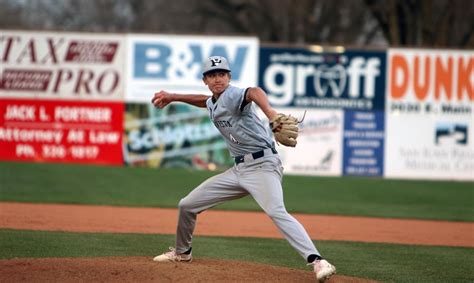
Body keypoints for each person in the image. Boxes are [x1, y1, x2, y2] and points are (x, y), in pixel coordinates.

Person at [151, 56, 336, 282]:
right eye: (212, 75)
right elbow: (205, 101)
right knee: (187, 205)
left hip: (263, 166)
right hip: (238, 170)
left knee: (276, 211)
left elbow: (253, 92)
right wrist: (174, 96)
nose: (218, 79)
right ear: (205, 80)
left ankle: (317, 261)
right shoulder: (215, 101)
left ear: (229, 77)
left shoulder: (232, 94)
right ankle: (182, 253)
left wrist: (271, 114)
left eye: (222, 74)